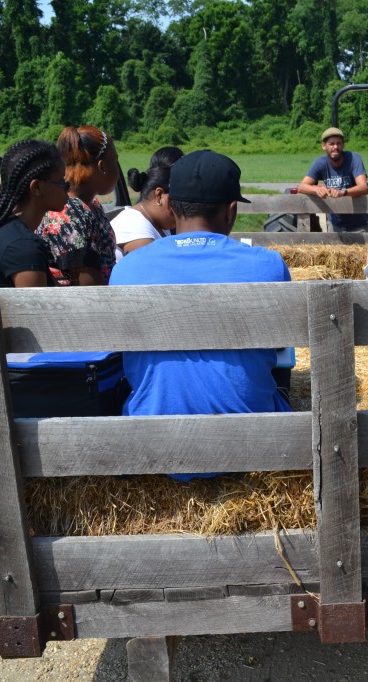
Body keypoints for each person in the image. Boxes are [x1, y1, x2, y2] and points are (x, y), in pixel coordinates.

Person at [109, 150, 292, 477]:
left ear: (171, 204)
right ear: (231, 209)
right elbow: (281, 345)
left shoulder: (128, 268)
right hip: (249, 445)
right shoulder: (268, 265)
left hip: (156, 444)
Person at [0, 139, 66, 288]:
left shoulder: (12, 233)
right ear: (37, 187)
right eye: (61, 182)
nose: (68, 187)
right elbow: (39, 310)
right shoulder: (22, 247)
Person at [38, 125, 120, 285]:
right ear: (102, 166)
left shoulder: (92, 205)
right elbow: (90, 289)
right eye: (115, 161)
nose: (117, 169)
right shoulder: (70, 213)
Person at [113, 146, 184, 260]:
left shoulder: (157, 222)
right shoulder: (133, 226)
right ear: (159, 195)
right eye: (178, 202)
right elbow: (153, 272)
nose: (181, 210)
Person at [297, 127, 368, 232]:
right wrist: (317, 190)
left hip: (358, 225)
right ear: (324, 146)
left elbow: (363, 187)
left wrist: (342, 192)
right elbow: (301, 187)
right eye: (331, 144)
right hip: (334, 225)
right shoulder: (320, 163)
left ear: (343, 145)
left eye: (338, 143)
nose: (335, 147)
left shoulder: (354, 158)